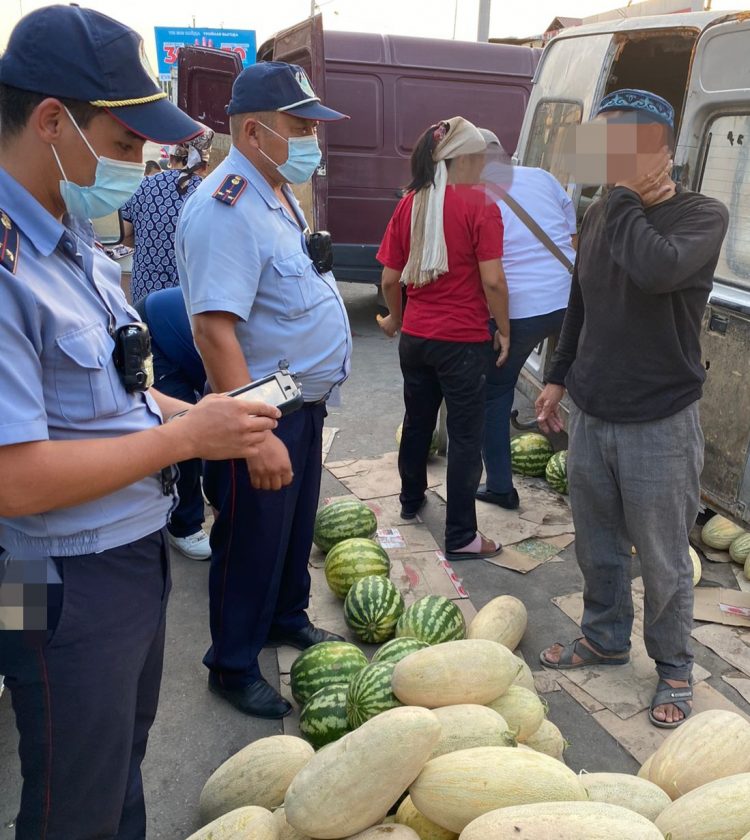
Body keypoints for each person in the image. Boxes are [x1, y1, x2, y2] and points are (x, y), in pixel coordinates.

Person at [0, 7, 281, 838]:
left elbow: (109, 392)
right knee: (69, 794)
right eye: (125, 145)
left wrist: (191, 411)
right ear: (52, 120)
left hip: (118, 562)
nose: (142, 162)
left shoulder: (67, 239)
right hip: (51, 583)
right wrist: (183, 441)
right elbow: (11, 480)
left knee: (116, 761)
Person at [536, 89, 729, 728]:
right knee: (598, 545)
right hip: (593, 411)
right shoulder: (600, 214)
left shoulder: (702, 216)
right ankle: (605, 636)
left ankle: (673, 665)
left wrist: (618, 198)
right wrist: (558, 378)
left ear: (660, 149)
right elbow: (581, 302)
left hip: (661, 420)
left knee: (665, 557)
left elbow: (653, 269)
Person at [176, 61, 352, 719]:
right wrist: (254, 437)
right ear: (255, 131)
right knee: (250, 538)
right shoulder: (225, 206)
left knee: (292, 526)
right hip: (262, 404)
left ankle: (286, 614)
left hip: (300, 400)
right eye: (300, 126)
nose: (313, 139)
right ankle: (232, 663)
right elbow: (214, 331)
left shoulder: (276, 189)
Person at [376, 117, 507, 561]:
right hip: (463, 342)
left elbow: (391, 279)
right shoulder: (480, 205)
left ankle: (411, 502)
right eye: (479, 158)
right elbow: (493, 281)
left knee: (417, 423)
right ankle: (461, 536)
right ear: (463, 159)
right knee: (466, 437)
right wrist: (504, 329)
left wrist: (397, 318)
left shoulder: (410, 203)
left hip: (416, 339)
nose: (483, 166)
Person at [477, 129, 577, 510]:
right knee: (582, 391)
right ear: (505, 155)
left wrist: (500, 328)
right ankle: (591, 485)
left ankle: (500, 487)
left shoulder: (476, 195)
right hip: (569, 300)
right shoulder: (544, 177)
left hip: (519, 309)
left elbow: (489, 275)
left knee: (497, 392)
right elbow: (569, 238)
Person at [134, 287, 210, 560]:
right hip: (155, 335)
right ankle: (184, 526)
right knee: (185, 433)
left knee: (198, 426)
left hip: (174, 332)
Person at [122, 127, 214, 302]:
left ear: (171, 158)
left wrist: (146, 241)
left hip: (146, 294)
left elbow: (124, 233)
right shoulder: (210, 193)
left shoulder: (144, 186)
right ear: (204, 165)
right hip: (189, 300)